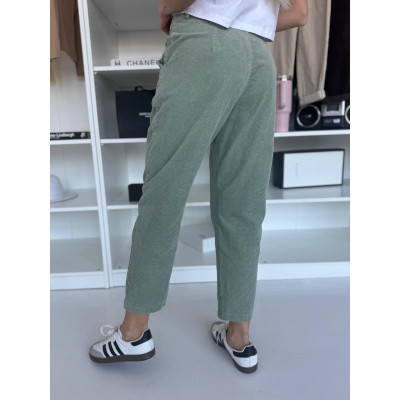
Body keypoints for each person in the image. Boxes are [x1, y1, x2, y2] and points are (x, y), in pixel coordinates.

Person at [89, 0, 308, 373]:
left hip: (204, 42)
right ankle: (239, 336)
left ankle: (133, 334)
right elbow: (300, 13)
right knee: (243, 203)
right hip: (258, 58)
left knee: (165, 189)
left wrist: (165, 9)